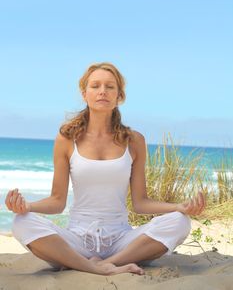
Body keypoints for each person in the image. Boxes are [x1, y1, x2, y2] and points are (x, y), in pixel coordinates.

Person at [5, 62, 205, 276]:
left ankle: (104, 264)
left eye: (110, 87)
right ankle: (96, 267)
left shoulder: (134, 141)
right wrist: (26, 206)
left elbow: (140, 203)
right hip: (78, 241)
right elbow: (57, 201)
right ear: (84, 93)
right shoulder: (66, 139)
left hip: (121, 240)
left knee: (179, 222)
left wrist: (179, 207)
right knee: (21, 222)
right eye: (95, 86)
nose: (102, 91)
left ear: (119, 96)